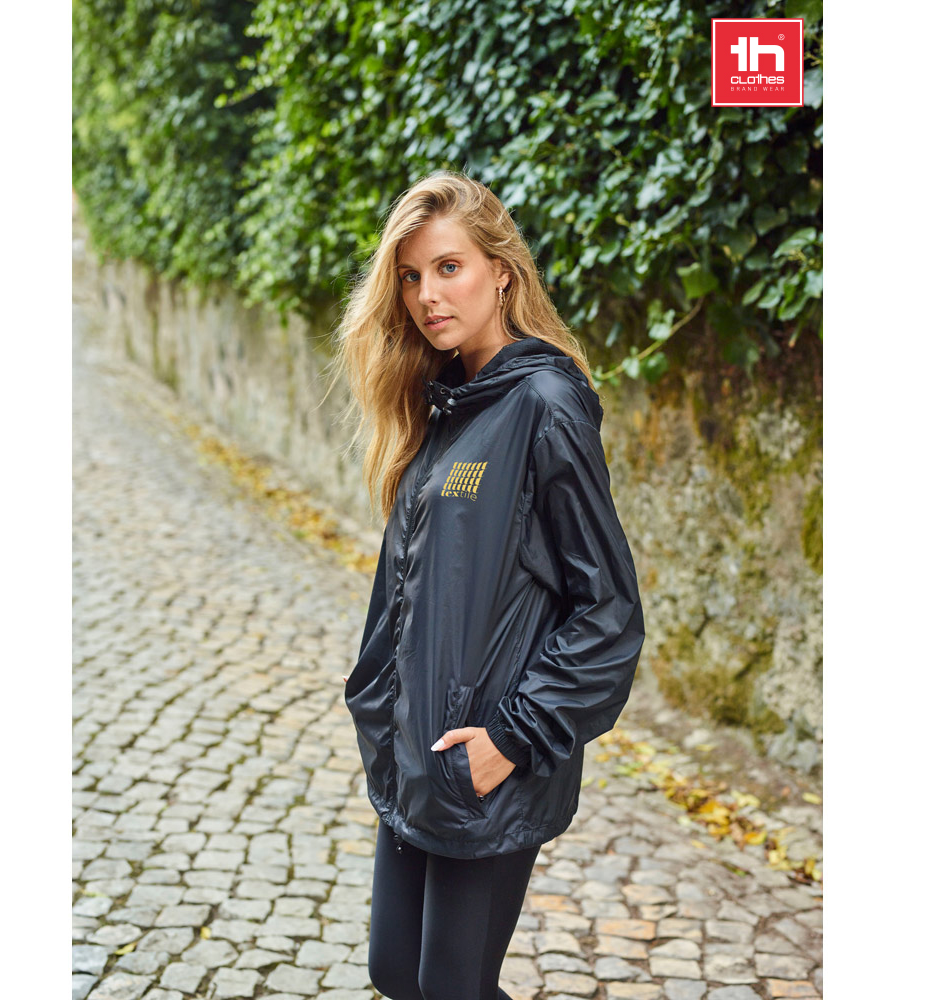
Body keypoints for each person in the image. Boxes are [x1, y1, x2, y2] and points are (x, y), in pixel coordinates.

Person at [329, 170, 645, 1000]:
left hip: (487, 760)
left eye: (449, 268)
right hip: (419, 755)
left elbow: (608, 611)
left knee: (449, 987)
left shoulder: (545, 403)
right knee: (396, 970)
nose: (426, 296)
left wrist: (510, 738)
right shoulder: (448, 405)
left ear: (500, 272)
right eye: (410, 276)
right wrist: (380, 704)